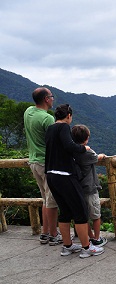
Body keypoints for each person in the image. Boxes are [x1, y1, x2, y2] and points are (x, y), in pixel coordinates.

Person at [45, 104, 104, 258]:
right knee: (81, 212)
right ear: (68, 116)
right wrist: (84, 149)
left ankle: (67, 246)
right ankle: (87, 248)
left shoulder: (50, 128)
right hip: (64, 175)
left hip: (51, 174)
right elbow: (69, 145)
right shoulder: (63, 127)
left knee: (65, 212)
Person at [23, 87, 61, 245]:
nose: (53, 99)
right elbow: (56, 143)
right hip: (47, 163)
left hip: (33, 161)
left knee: (45, 199)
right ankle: (53, 235)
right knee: (52, 201)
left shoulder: (28, 111)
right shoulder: (47, 119)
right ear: (46, 99)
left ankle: (45, 233)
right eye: (51, 96)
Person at [71, 124, 107, 247]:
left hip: (78, 188)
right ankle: (97, 238)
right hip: (90, 188)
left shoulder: (72, 151)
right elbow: (97, 158)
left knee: (83, 216)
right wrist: (102, 155)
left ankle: (90, 237)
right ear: (87, 138)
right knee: (96, 216)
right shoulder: (88, 153)